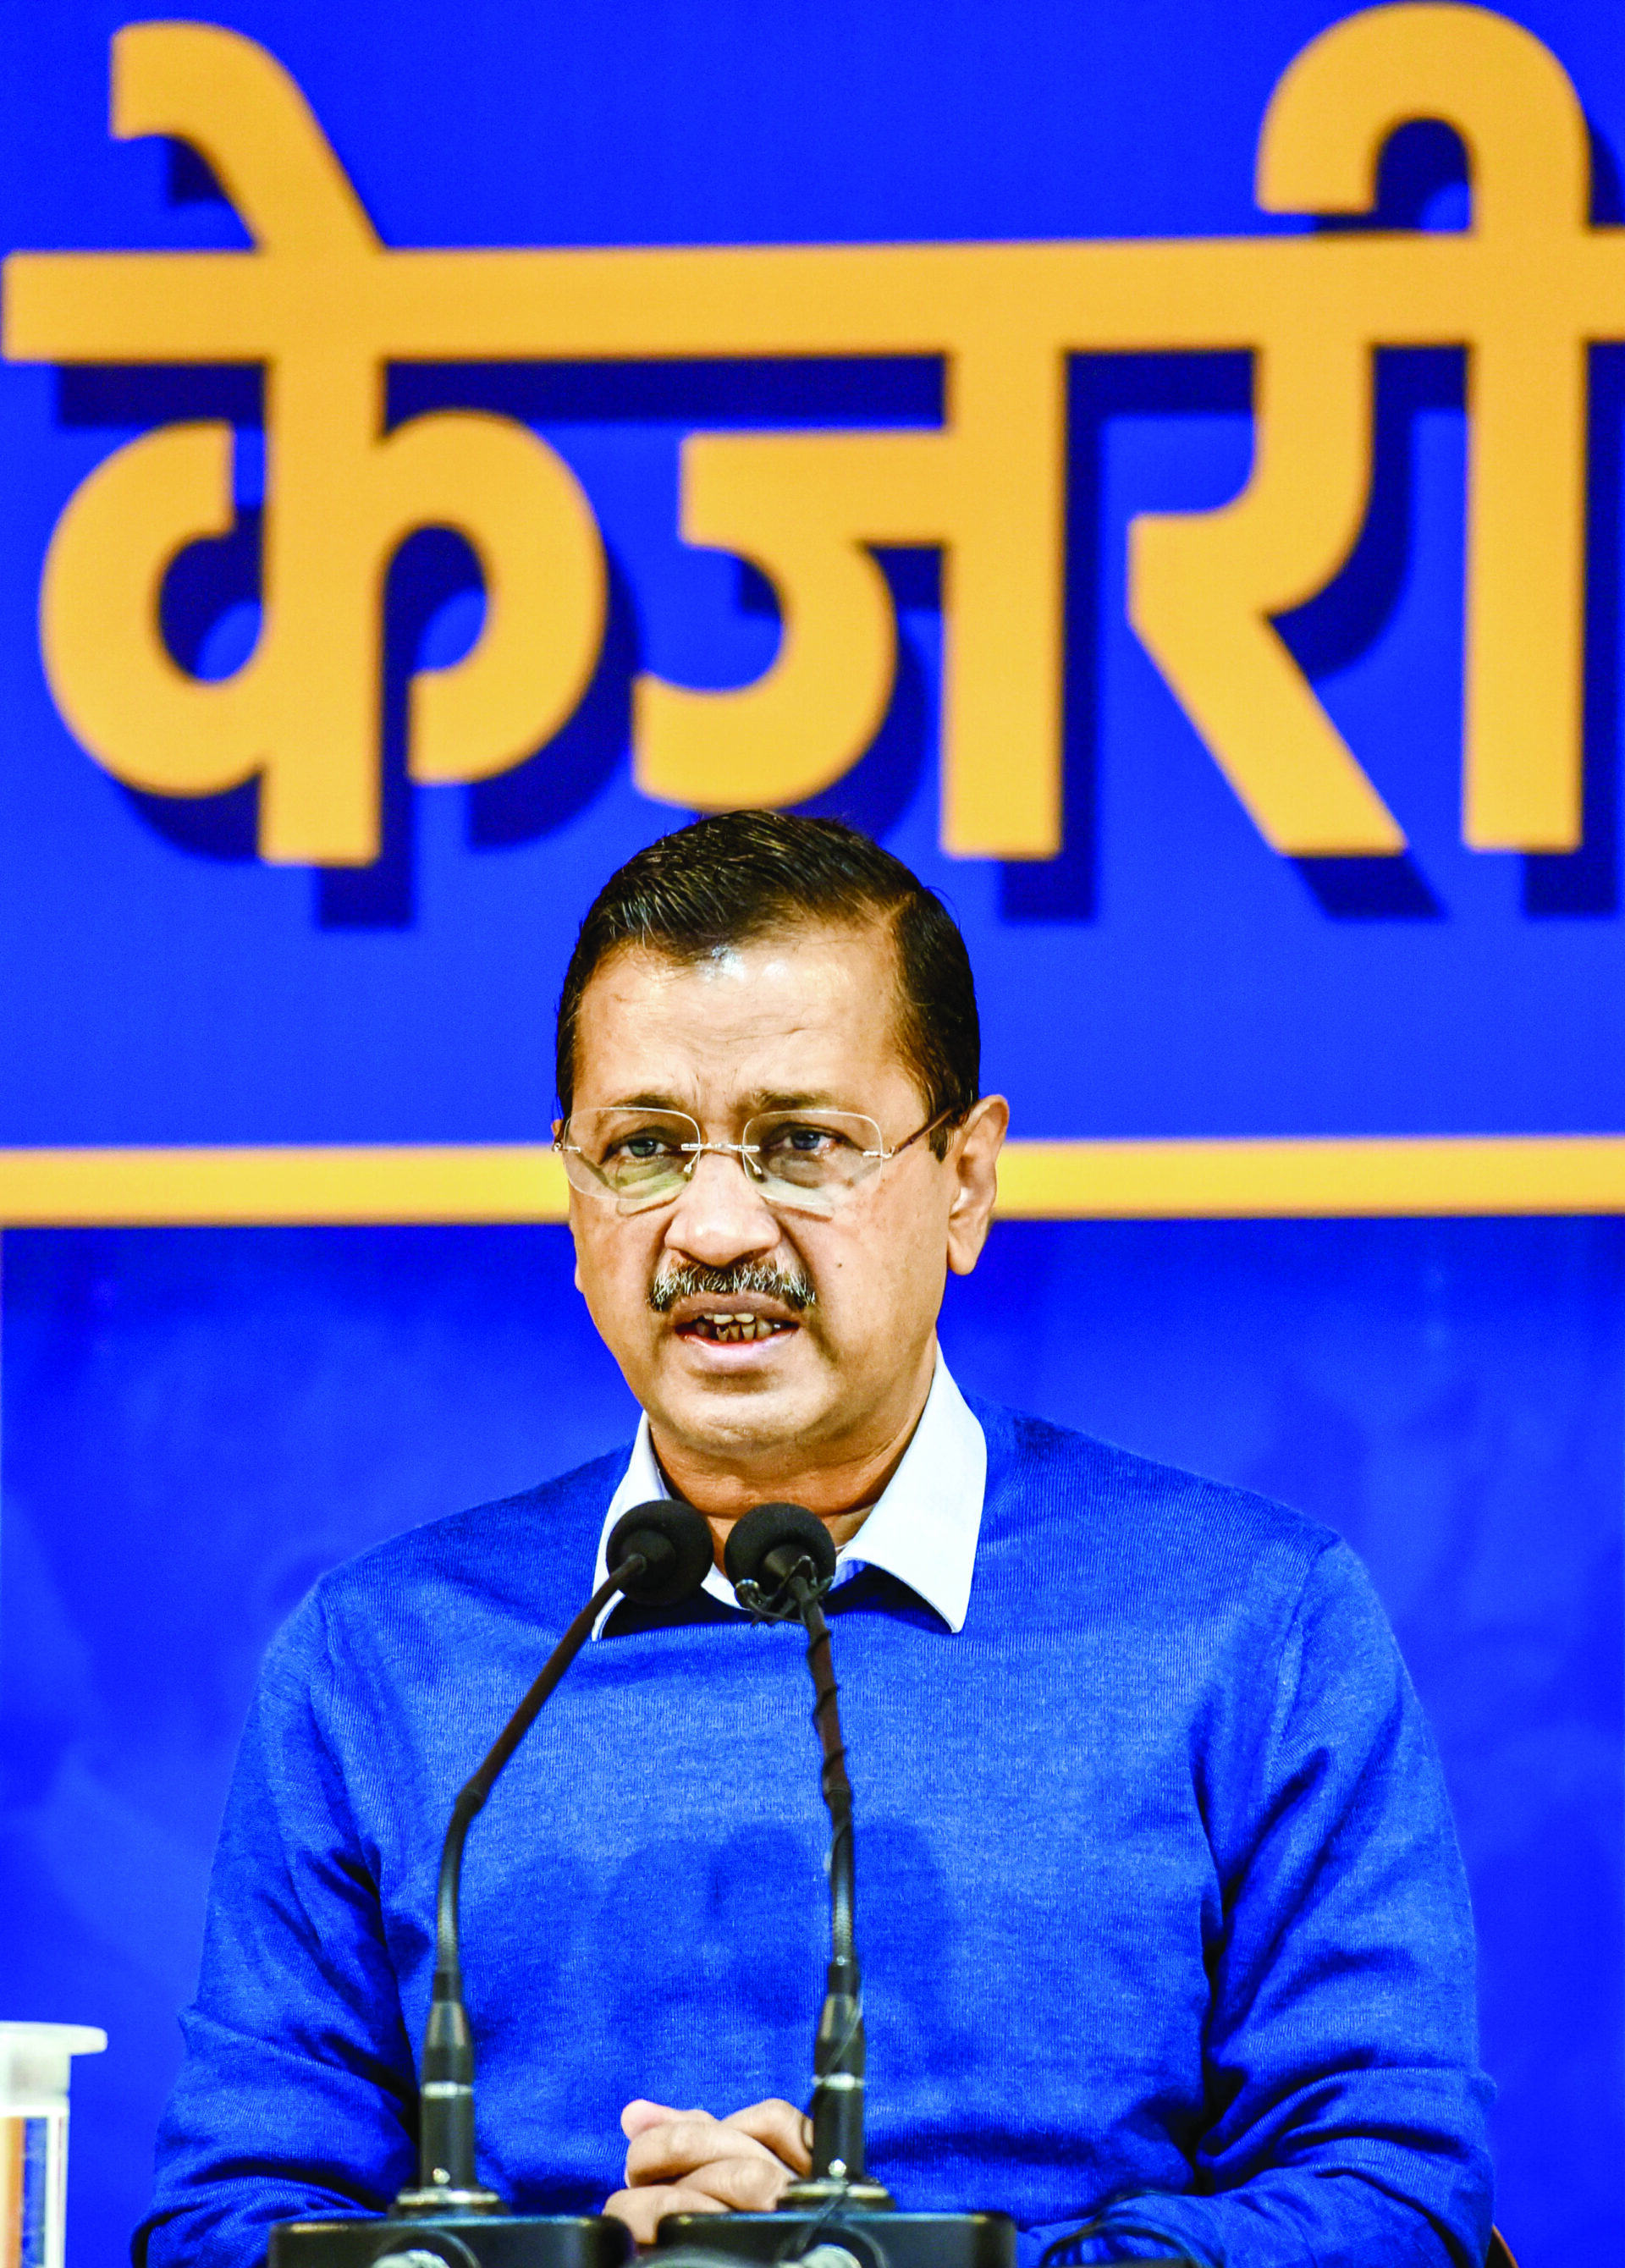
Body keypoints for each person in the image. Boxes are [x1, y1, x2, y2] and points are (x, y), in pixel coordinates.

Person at [137, 812, 1493, 2268]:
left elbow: (1393, 2194)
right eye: (646, 1148)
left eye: (802, 1144)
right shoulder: (389, 1653)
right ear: (572, 1191)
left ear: (965, 1180)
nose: (716, 1226)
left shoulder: (1252, 1619)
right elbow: (229, 2219)